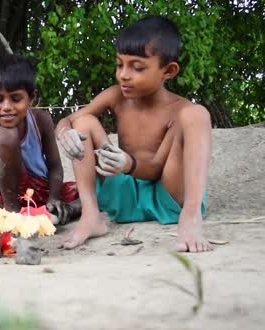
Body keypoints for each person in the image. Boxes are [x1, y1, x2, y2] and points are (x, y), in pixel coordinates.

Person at [55, 16, 211, 252]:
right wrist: (65, 132)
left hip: (166, 197)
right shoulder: (115, 95)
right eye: (120, 64)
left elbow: (157, 168)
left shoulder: (179, 110)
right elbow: (69, 119)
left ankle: (190, 217)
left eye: (137, 67)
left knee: (197, 113)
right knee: (83, 122)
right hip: (121, 195)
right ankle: (91, 215)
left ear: (168, 71)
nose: (123, 75)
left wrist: (129, 164)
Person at [0, 54, 79, 226]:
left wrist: (54, 198)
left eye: (16, 99)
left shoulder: (41, 121)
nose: (7, 107)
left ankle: (63, 210)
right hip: (9, 198)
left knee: (93, 190)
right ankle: (15, 217)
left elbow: (55, 166)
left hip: (43, 191)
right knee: (6, 135)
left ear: (31, 98)